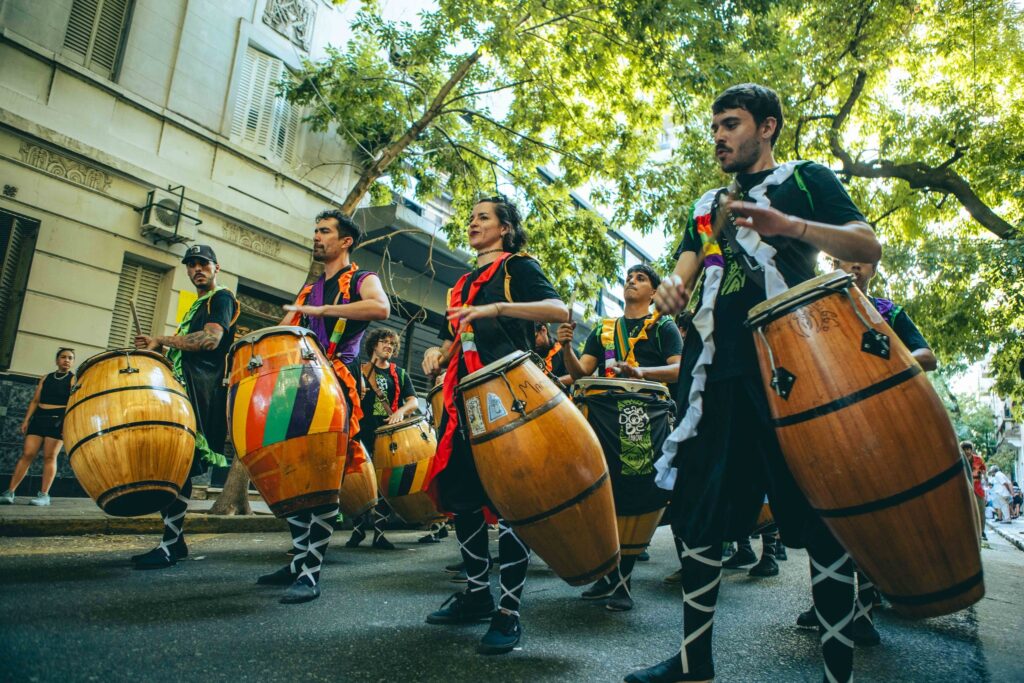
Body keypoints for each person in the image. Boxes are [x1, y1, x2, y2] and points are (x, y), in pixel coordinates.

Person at [629, 83, 881, 683]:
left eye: (732, 124)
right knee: (699, 514)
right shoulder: (707, 205)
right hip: (713, 375)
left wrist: (789, 225)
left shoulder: (805, 179)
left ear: (767, 127)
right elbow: (684, 272)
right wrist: (671, 291)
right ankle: (694, 661)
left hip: (791, 371)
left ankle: (838, 672)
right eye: (715, 126)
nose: (719, 136)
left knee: (822, 514)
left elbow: (865, 242)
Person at [421, 195, 567, 655]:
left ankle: (508, 610)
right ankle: (477, 593)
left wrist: (499, 309)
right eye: (471, 218)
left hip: (511, 397)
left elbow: (558, 310)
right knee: (463, 495)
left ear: (505, 228)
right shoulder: (461, 285)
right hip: (465, 401)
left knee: (512, 501)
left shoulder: (518, 268)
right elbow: (452, 339)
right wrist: (436, 353)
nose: (473, 223)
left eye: (482, 217)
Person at [790, 256, 939, 645]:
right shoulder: (816, 314)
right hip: (827, 428)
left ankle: (864, 611)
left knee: (872, 522)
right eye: (847, 261)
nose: (855, 268)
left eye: (863, 262)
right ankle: (827, 602)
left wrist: (878, 364)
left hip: (879, 428)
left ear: (873, 268)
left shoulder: (889, 312)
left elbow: (926, 356)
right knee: (827, 519)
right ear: (834, 265)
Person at [256, 209, 390, 604]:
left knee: (323, 475)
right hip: (294, 383)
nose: (317, 236)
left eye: (325, 231)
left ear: (346, 241)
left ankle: (310, 571)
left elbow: (380, 308)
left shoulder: (363, 280)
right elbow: (282, 330)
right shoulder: (309, 289)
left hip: (335, 382)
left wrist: (324, 312)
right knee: (291, 471)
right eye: (315, 230)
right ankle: (298, 559)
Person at [557, 264, 682, 611]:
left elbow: (679, 368)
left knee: (633, 490)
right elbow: (581, 372)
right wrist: (566, 348)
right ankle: (609, 574)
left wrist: (641, 371)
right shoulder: (604, 328)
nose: (631, 282)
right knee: (604, 490)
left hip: (645, 417)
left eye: (641, 279)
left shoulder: (663, 326)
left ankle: (623, 581)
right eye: (629, 278)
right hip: (603, 415)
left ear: (654, 293)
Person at [132, 245, 239, 570]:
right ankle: (175, 542)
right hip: (186, 391)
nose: (196, 269)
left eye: (203, 263)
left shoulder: (221, 298)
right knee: (176, 465)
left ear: (216, 268)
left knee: (178, 467)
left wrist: (161, 339)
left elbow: (210, 340)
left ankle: (169, 545)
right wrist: (157, 350)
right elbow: (188, 351)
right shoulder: (197, 304)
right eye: (191, 265)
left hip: (201, 395)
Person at [346, 328, 418, 550]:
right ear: (373, 345)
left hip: (387, 436)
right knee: (360, 481)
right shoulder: (358, 369)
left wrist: (400, 412)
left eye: (392, 344)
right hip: (361, 433)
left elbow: (413, 401)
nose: (389, 346)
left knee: (384, 484)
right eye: (384, 342)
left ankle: (379, 533)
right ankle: (358, 530)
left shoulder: (400, 374)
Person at [1, 348, 77, 506]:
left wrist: (67, 424)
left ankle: (44, 495)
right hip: (39, 418)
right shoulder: (46, 378)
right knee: (27, 454)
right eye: (63, 357)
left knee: (49, 456)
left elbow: (74, 403)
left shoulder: (73, 379)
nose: (66, 360)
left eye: (70, 358)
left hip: (57, 420)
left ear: (73, 362)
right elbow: (35, 401)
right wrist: (26, 420)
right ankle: (9, 492)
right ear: (57, 360)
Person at [962, 442, 989, 543]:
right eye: (965, 449)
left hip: (977, 487)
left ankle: (981, 531)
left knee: (981, 510)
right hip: (964, 486)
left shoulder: (978, 459)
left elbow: (984, 473)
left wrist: (986, 488)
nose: (967, 451)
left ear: (971, 449)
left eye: (969, 449)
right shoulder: (959, 459)